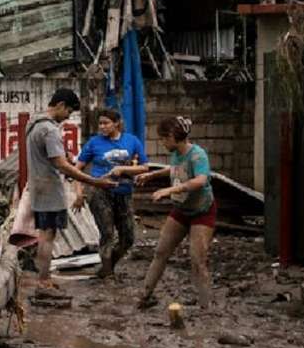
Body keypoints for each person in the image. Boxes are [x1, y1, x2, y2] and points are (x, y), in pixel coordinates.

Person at [26, 88, 114, 290]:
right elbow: (62, 165)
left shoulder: (33, 124)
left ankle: (43, 278)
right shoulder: (49, 130)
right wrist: (94, 181)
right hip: (49, 190)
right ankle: (44, 280)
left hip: (39, 187)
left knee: (44, 234)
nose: (67, 117)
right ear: (60, 105)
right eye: (68, 112)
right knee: (48, 236)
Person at [129, 116, 216, 310]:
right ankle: (145, 295)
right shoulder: (177, 153)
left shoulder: (197, 155)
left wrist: (170, 190)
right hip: (181, 209)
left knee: (197, 259)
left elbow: (201, 180)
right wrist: (153, 174)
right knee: (160, 252)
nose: (161, 143)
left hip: (202, 211)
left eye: (163, 138)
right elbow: (175, 168)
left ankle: (205, 306)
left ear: (172, 136)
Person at [72, 109, 148, 280]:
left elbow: (144, 167)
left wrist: (123, 169)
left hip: (124, 192)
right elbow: (76, 170)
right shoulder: (94, 143)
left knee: (128, 238)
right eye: (100, 123)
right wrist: (79, 194)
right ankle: (108, 273)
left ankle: (107, 267)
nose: (102, 127)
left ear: (117, 123)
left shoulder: (132, 141)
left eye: (106, 123)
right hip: (99, 192)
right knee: (107, 233)